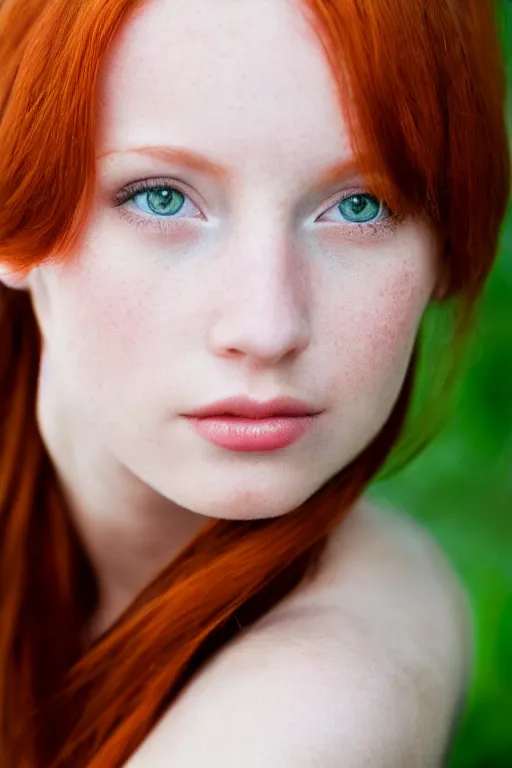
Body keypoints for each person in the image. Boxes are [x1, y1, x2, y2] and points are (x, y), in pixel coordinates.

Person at [0, 0, 509, 765]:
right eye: (161, 197)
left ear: (444, 248)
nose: (266, 328)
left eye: (361, 206)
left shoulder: (322, 703)